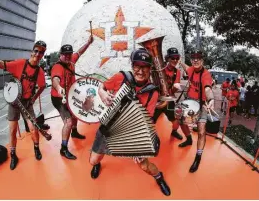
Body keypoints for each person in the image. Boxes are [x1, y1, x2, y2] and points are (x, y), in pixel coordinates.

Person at [89, 49, 171, 196]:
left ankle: (159, 177)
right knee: (93, 160)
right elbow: (102, 87)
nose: (140, 71)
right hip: (108, 128)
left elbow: (146, 121)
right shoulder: (121, 77)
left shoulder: (153, 92)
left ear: (150, 68)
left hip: (132, 134)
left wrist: (137, 144)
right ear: (132, 66)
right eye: (136, 66)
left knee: (144, 165)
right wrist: (102, 93)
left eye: (144, 66)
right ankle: (97, 164)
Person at [0, 41, 47, 170]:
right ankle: (13, 155)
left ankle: (36, 148)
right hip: (14, 103)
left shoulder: (40, 72)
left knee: (33, 128)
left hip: (27, 103)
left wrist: (34, 99)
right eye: (36, 51)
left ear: (43, 55)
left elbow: (43, 86)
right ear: (32, 52)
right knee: (12, 131)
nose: (38, 54)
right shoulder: (20, 64)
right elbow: (3, 65)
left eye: (41, 52)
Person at [51, 35, 93, 159]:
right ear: (61, 55)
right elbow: (55, 79)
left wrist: (88, 42)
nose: (68, 56)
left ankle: (74, 133)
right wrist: (58, 88)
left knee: (76, 113)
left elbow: (79, 52)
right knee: (68, 122)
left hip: (70, 95)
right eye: (65, 55)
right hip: (59, 98)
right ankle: (63, 149)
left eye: (70, 54)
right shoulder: (57, 67)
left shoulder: (71, 61)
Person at [179, 50, 215, 173]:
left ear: (202, 61)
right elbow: (186, 67)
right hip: (189, 101)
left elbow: (207, 88)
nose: (195, 60)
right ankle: (188, 139)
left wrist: (211, 99)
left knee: (201, 131)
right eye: (193, 58)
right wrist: (179, 62)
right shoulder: (190, 70)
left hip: (202, 104)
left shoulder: (206, 75)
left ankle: (198, 157)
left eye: (198, 58)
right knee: (179, 120)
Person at [153, 47, 183, 140]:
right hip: (158, 99)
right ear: (167, 58)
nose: (175, 60)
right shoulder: (160, 68)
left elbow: (173, 90)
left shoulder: (177, 72)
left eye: (177, 58)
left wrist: (175, 88)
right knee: (150, 120)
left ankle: (174, 132)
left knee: (176, 119)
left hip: (169, 100)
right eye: (172, 58)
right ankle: (148, 136)